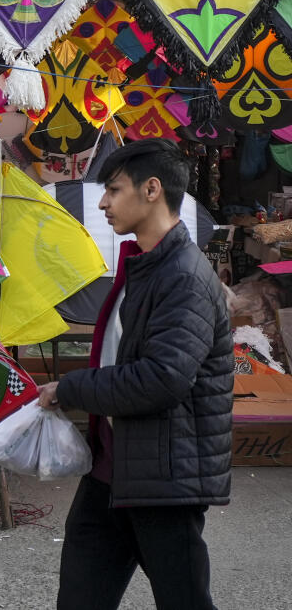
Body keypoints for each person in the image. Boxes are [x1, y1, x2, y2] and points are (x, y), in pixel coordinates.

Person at [36, 138, 231, 610]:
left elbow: (161, 379)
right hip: (113, 472)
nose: (102, 202)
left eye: (114, 189)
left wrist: (70, 389)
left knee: (183, 600)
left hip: (164, 478)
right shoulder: (144, 264)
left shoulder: (182, 276)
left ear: (152, 190)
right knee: (80, 599)